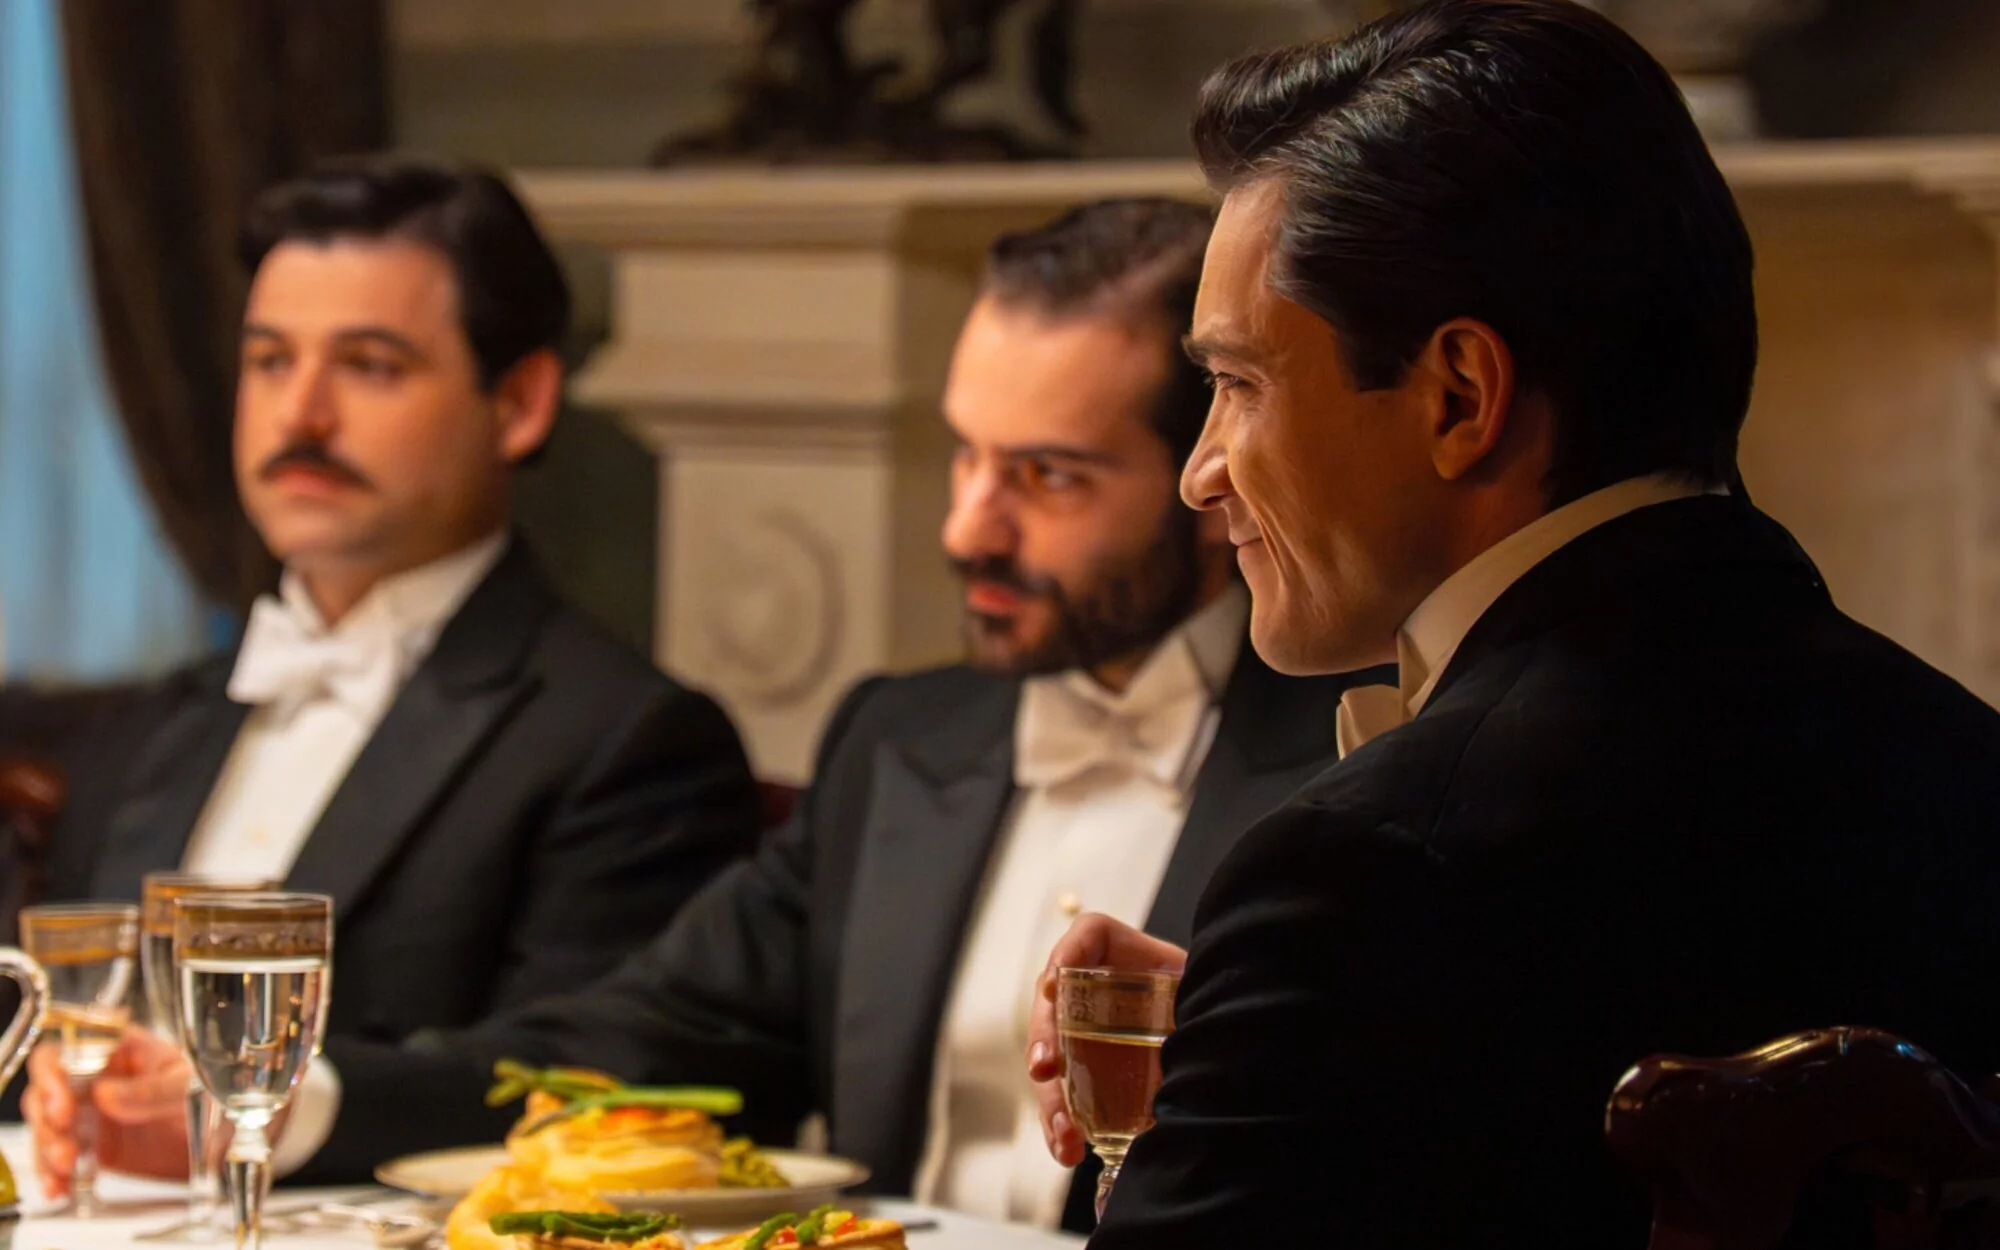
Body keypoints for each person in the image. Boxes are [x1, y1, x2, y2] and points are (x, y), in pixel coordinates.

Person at [26, 197, 1391, 1229]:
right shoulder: (898, 742)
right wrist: (298, 1096)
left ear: (1208, 479)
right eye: (964, 455)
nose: (966, 526)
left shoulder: (1359, 765)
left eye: (1046, 476)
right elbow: (622, 1040)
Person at [1023, 3, 2000, 1247]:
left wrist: (1293, 1000)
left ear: (1457, 395)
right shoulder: (1967, 764)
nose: (1198, 472)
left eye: (1235, 384)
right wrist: (1252, 1049)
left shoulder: (1362, 883)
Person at [24, 158, 759, 1190]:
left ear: (519, 402)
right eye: (270, 361)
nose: (301, 415)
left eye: (369, 365)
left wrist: (300, 1107)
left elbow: (605, 1078)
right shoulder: (154, 724)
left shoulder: (627, 739)